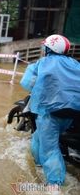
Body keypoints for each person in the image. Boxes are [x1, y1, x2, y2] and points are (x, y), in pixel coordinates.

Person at [20, 34, 80, 185]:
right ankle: (39, 164)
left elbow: (27, 83)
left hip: (50, 113)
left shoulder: (42, 63)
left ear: (49, 48)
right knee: (38, 137)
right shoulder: (75, 64)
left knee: (50, 148)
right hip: (73, 113)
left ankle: (55, 186)